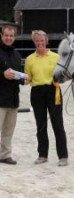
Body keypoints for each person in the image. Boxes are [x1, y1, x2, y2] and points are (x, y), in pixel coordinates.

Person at [24, 30, 68, 166]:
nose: (40, 43)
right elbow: (28, 78)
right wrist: (24, 79)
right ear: (34, 42)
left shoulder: (55, 57)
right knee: (41, 125)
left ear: (46, 41)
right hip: (37, 92)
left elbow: (63, 76)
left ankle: (63, 156)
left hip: (53, 91)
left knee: (58, 124)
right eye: (37, 40)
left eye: (42, 40)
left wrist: (61, 80)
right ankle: (43, 155)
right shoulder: (29, 59)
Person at [0, 24, 29, 165]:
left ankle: (5, 155)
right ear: (2, 35)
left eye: (11, 36)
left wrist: (25, 80)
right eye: (6, 35)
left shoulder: (17, 55)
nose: (8, 38)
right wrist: (2, 74)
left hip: (13, 99)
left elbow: (19, 77)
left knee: (8, 131)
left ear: (14, 37)